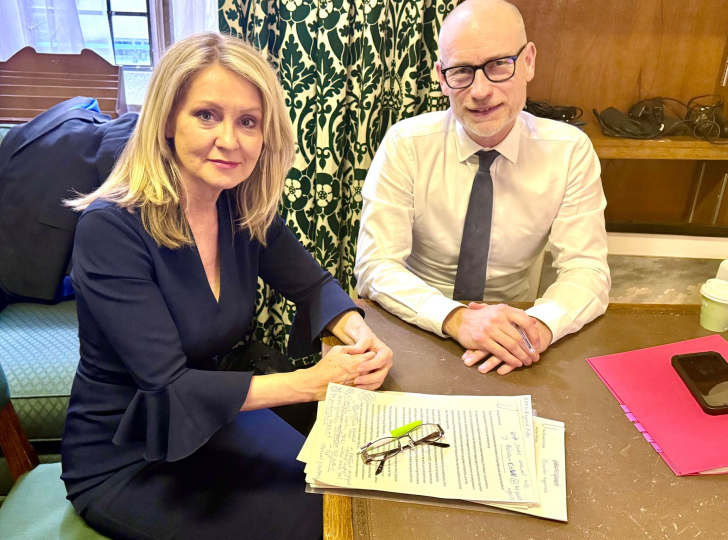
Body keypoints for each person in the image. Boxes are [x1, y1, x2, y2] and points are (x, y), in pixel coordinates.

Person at [61, 32, 393, 540]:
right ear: (167, 119)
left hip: (211, 425)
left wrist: (355, 331)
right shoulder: (110, 230)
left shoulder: (239, 207)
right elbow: (168, 387)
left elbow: (313, 284)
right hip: (128, 457)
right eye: (207, 115)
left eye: (248, 122)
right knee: (321, 526)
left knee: (349, 494)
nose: (230, 140)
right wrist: (314, 382)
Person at [354, 0, 610, 376]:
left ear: (528, 62)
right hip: (419, 321)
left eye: (497, 66)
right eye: (461, 71)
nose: (480, 90)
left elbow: (587, 269)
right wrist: (457, 319)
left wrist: (539, 326)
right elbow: (376, 266)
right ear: (442, 77)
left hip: (517, 333)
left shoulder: (569, 151)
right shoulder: (405, 144)